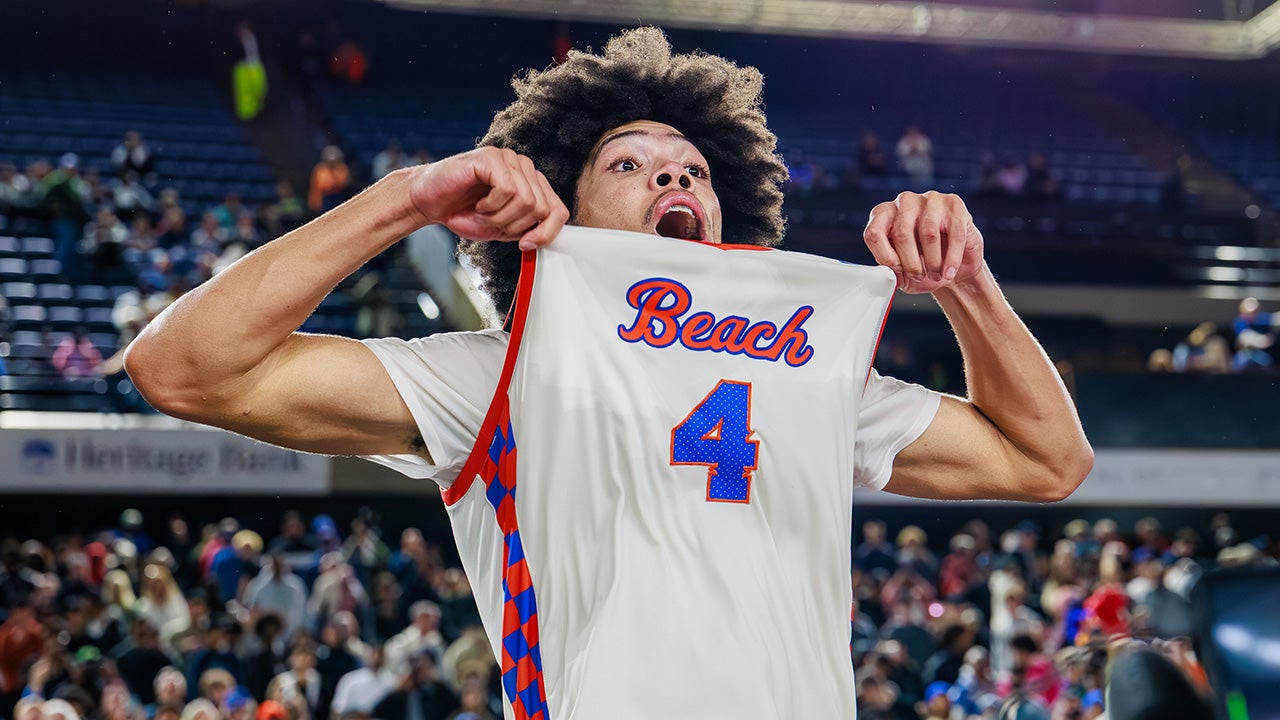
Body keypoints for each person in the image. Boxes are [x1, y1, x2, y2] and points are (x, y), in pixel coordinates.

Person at [124, 27, 1091, 719]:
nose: (676, 178)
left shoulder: (807, 373)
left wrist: (965, 284)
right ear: (563, 216)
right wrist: (405, 198)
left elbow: (1047, 462)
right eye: (629, 165)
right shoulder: (498, 372)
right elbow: (186, 371)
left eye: (694, 170)